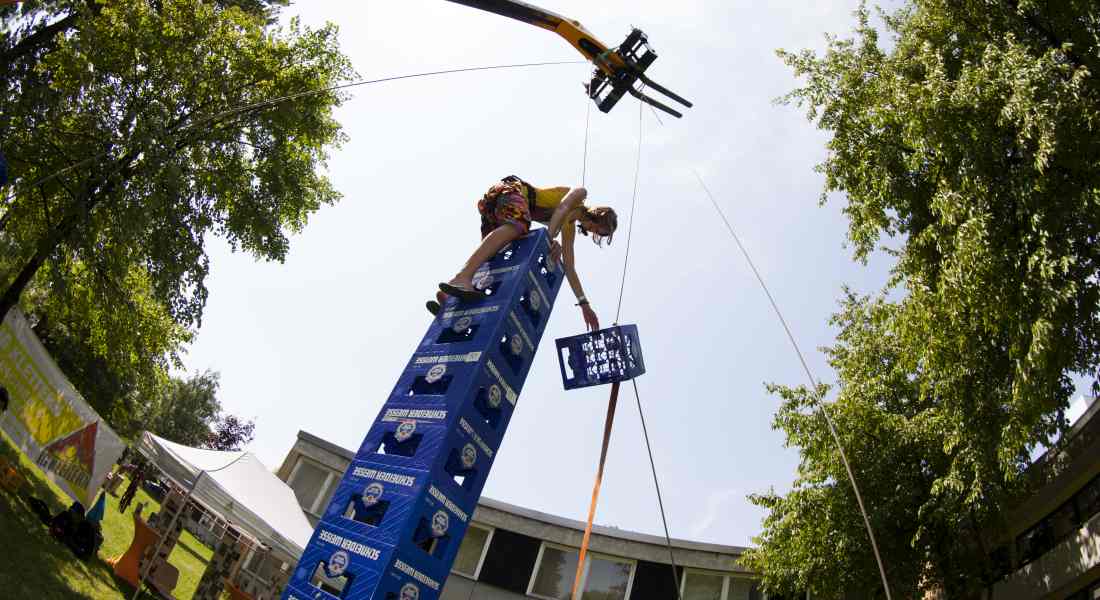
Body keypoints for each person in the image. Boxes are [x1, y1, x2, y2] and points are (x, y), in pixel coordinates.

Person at [430, 176, 617, 332]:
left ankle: (450, 299)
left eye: (599, 234)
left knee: (495, 258)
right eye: (599, 230)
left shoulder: (569, 228)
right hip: (511, 192)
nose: (594, 232)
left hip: (497, 210)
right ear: (600, 216)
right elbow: (562, 208)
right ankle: (462, 278)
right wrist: (548, 240)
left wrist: (584, 304)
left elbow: (569, 267)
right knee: (519, 226)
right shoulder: (580, 194)